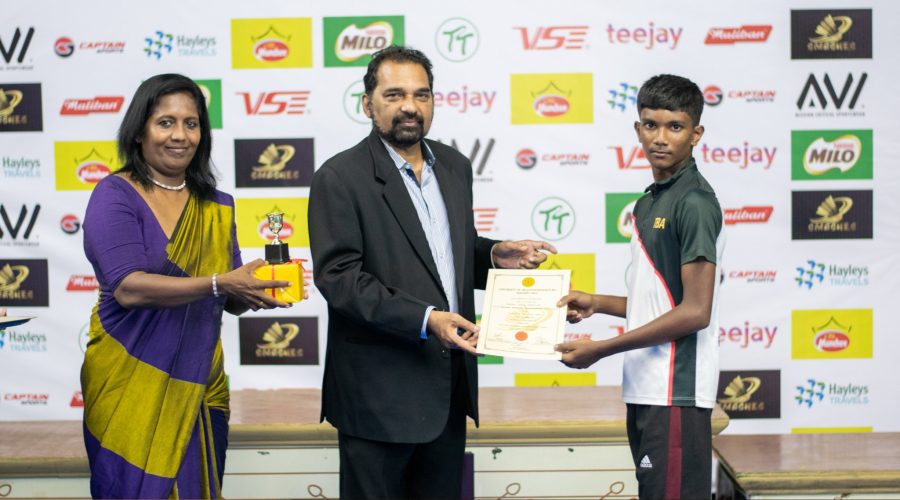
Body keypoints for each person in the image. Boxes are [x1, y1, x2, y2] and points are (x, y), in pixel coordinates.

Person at [308, 46, 556, 499]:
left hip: (447, 393)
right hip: (377, 398)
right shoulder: (339, 177)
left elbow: (442, 255)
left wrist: (494, 255)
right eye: (394, 95)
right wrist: (426, 319)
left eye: (421, 95)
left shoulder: (455, 166)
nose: (410, 106)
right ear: (367, 104)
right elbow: (340, 279)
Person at [81, 73, 294, 499]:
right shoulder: (114, 194)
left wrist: (258, 289)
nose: (180, 135)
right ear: (139, 130)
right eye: (166, 122)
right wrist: (220, 283)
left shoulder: (215, 205)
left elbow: (227, 297)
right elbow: (128, 287)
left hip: (199, 382)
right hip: (128, 382)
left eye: (191, 123)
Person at [555, 74, 724, 500]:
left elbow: (695, 311)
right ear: (637, 129)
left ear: (696, 134)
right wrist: (597, 302)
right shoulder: (650, 200)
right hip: (648, 389)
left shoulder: (694, 202)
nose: (660, 138)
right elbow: (662, 301)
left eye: (675, 126)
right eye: (651, 125)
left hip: (676, 391)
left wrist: (602, 349)